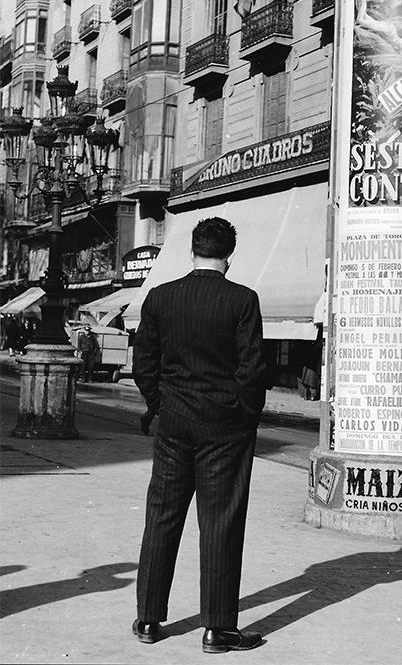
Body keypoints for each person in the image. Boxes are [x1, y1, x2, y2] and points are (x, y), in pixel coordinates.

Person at [132, 217, 266, 654]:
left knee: (162, 518)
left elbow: (144, 366)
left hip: (173, 425)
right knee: (221, 523)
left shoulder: (160, 298)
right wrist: (245, 417)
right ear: (229, 255)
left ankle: (149, 619)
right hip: (224, 428)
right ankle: (217, 628)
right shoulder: (243, 300)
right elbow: (251, 371)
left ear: (192, 250)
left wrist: (159, 407)